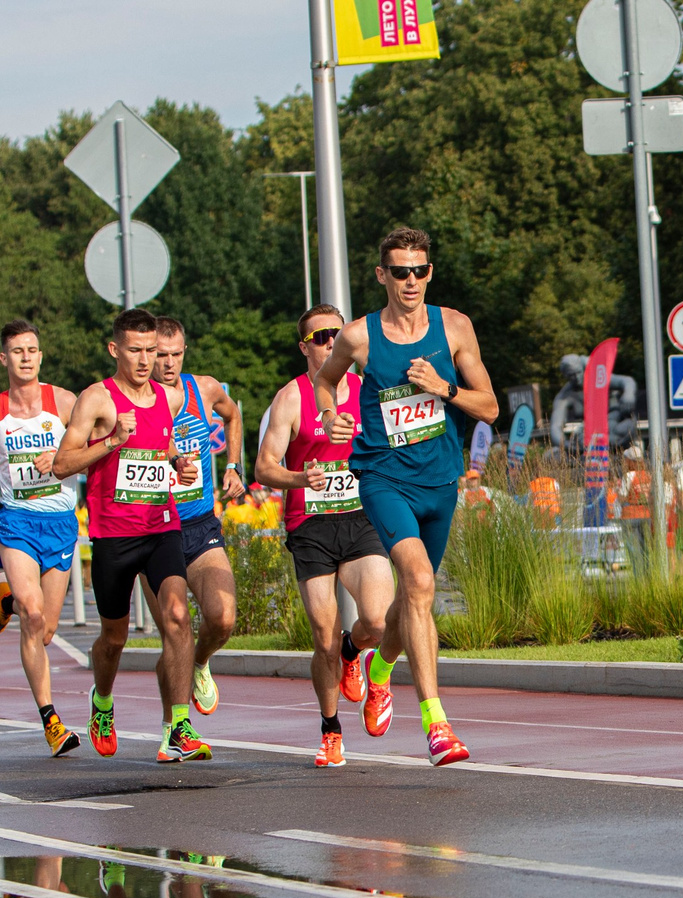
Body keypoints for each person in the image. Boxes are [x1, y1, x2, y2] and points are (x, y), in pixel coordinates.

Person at [316, 225, 501, 768]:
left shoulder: (455, 327)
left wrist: (441, 388)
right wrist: (331, 417)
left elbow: (489, 407)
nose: (411, 281)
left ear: (429, 273)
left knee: (413, 600)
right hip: (381, 477)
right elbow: (326, 382)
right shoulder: (359, 337)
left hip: (441, 481)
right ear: (382, 275)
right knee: (418, 580)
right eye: (400, 272)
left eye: (420, 271)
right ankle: (437, 725)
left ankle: (373, 665)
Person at [50, 307, 208, 763]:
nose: (145, 360)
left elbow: (162, 445)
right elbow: (62, 464)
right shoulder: (96, 399)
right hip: (114, 535)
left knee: (177, 615)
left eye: (152, 352)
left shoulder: (169, 397)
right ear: (114, 349)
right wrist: (113, 441)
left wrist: (176, 462)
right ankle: (102, 702)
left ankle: (178, 727)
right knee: (114, 639)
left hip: (161, 525)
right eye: (135, 351)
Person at [253, 304, 396, 767]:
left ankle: (356, 651)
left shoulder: (367, 389)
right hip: (310, 526)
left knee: (377, 619)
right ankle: (331, 727)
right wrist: (301, 478)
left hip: (360, 517)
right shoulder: (291, 398)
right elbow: (263, 467)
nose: (331, 342)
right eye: (320, 337)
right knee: (321, 637)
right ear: (305, 347)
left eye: (337, 333)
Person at [0, 320, 85, 755]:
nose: (26, 357)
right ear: (4, 359)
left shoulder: (66, 403)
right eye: (17, 351)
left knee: (46, 630)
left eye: (32, 349)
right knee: (32, 616)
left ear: (41, 355)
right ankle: (51, 721)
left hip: (61, 524)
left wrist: (64, 460)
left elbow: (94, 454)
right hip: (16, 521)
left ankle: (4, 595)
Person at [153, 317, 244, 719]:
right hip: (155, 531)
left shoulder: (203, 388)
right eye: (160, 355)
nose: (168, 363)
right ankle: (174, 726)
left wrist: (234, 466)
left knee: (222, 619)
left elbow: (233, 416)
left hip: (200, 523)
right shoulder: (133, 402)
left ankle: (201, 663)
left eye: (175, 354)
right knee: (175, 634)